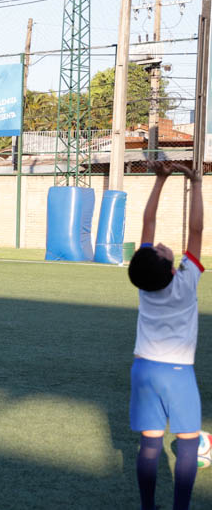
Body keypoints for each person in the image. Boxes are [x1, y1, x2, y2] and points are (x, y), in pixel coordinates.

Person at [128, 160, 203, 510]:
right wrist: (197, 186)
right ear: (170, 265)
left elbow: (147, 222)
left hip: (144, 370)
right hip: (177, 374)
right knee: (188, 443)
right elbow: (197, 232)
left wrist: (160, 181)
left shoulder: (146, 285)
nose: (158, 244)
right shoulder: (187, 282)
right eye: (160, 250)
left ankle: (147, 507)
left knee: (150, 443)